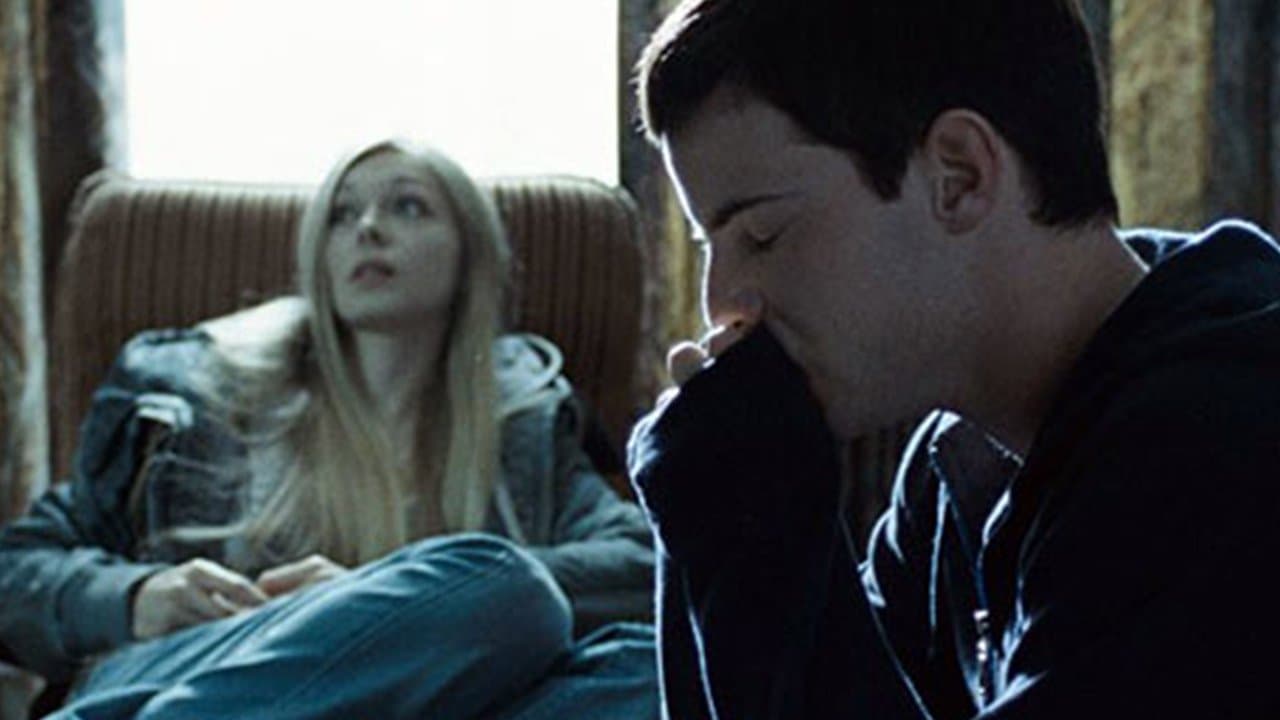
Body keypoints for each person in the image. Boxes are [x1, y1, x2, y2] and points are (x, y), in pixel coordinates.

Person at [625, 0, 1280, 718]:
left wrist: (748, 527)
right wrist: (707, 506)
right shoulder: (959, 461)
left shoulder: (1225, 450)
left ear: (959, 175)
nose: (721, 302)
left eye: (762, 233)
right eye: (707, 247)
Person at [0, 139, 658, 719]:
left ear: (470, 256)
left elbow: (644, 568)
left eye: (408, 207)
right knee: (505, 583)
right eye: (342, 215)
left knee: (646, 669)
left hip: (425, 700)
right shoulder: (193, 389)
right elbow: (15, 570)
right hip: (205, 666)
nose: (367, 228)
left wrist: (379, 600)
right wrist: (136, 596)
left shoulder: (522, 419)